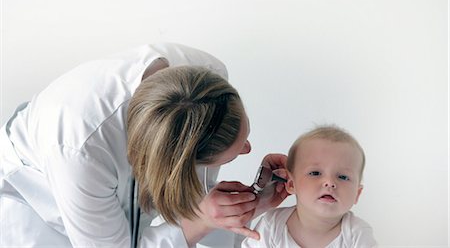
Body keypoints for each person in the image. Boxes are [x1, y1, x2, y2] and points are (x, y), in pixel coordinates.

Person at [0, 42, 289, 248]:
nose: (248, 149)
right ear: (179, 160)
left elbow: (193, 203)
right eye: (234, 152)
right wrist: (201, 220)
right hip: (37, 202)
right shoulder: (80, 151)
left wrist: (253, 202)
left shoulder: (209, 75)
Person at [242, 125, 377, 248]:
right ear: (291, 184)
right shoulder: (272, 225)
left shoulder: (357, 234)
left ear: (357, 194)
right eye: (315, 173)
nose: (329, 182)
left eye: (343, 177)